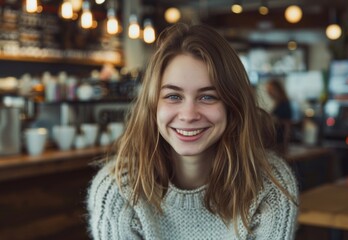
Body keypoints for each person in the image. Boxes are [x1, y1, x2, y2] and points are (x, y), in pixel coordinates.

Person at [87, 23, 299, 240]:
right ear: (152, 105)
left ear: (232, 106)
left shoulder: (269, 185)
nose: (188, 115)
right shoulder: (118, 190)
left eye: (208, 96)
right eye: (173, 96)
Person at [265, 79, 293, 153]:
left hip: (280, 140)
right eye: (268, 90)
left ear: (277, 90)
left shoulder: (284, 104)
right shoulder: (278, 103)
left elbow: (287, 124)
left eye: (271, 89)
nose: (269, 92)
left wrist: (285, 143)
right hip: (276, 140)